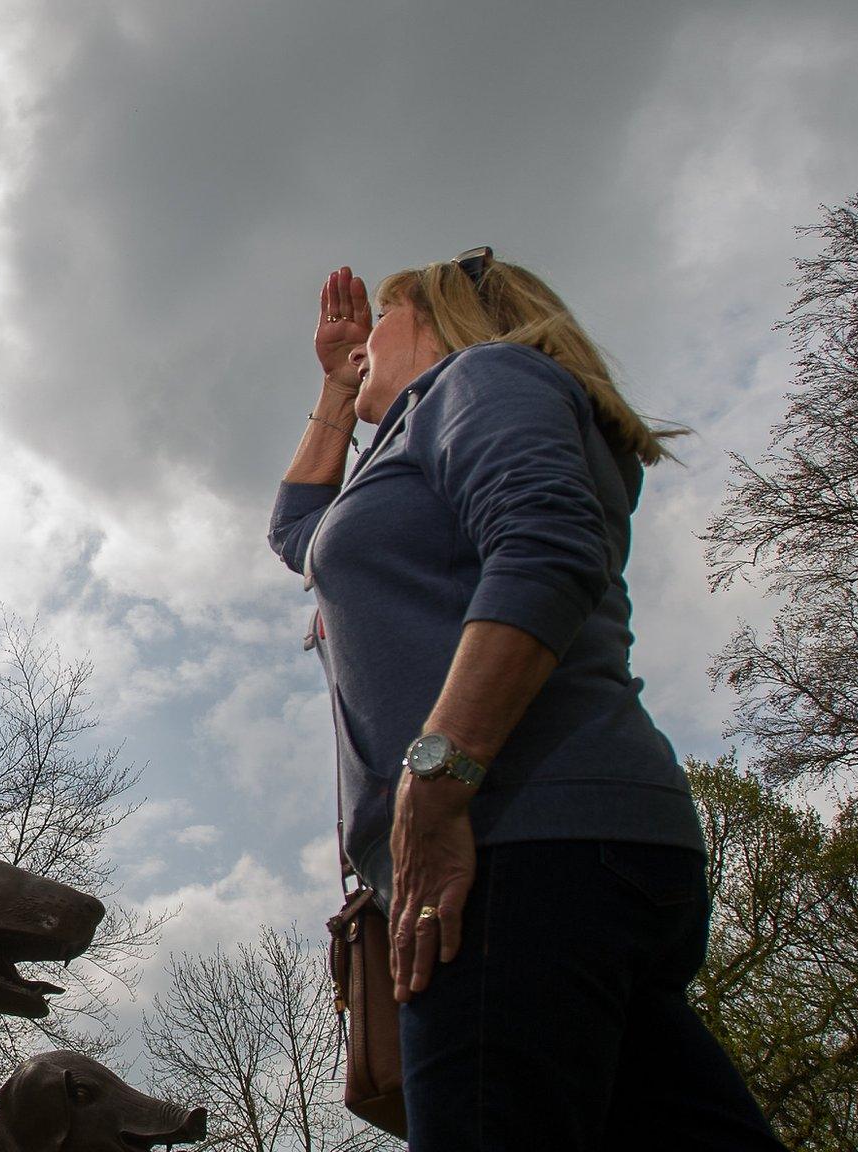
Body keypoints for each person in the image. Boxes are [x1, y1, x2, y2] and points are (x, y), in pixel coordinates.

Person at [269, 250, 785, 1150]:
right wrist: (335, 387)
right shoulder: (417, 436)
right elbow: (300, 535)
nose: (363, 347)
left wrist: (435, 788)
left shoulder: (485, 376)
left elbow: (546, 547)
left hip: (508, 845)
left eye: (382, 322)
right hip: (572, 851)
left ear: (439, 319)